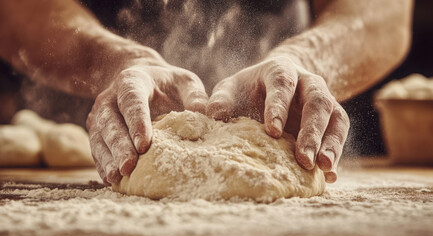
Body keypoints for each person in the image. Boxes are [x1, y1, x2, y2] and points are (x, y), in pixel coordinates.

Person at [0, 0, 413, 185]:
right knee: (126, 152)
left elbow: (385, 11)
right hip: (113, 136)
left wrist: (308, 60)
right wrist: (113, 61)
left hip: (280, 118)